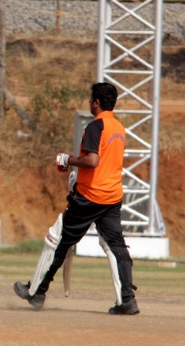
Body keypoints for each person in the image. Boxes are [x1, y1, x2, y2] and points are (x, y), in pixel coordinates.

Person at [13, 82, 139, 315]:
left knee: (57, 238)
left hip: (91, 197)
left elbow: (92, 161)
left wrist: (68, 159)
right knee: (115, 246)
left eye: (91, 99)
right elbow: (104, 163)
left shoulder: (95, 126)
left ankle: (36, 292)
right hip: (112, 196)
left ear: (97, 102)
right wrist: (78, 175)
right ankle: (127, 301)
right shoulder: (119, 128)